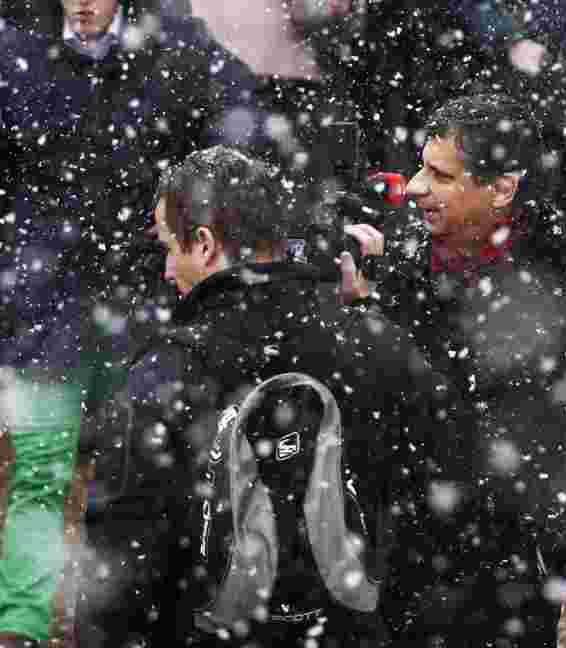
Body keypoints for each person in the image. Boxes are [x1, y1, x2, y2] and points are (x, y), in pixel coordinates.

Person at [74, 146, 467, 648]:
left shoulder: (170, 371)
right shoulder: (371, 341)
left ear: (204, 243)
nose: (167, 271)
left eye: (170, 247)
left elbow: (123, 561)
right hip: (347, 627)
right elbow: (451, 479)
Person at [0, 0, 267, 644]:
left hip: (139, 303)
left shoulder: (172, 48)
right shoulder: (19, 52)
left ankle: (113, 621)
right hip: (45, 304)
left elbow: (239, 112)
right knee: (39, 471)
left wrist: (192, 203)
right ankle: (23, 626)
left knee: (132, 478)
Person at [375, 93, 566, 648]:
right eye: (419, 168)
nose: (414, 188)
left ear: (502, 188)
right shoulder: (399, 285)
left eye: (439, 174)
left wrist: (553, 547)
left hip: (511, 589)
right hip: (402, 577)